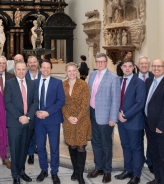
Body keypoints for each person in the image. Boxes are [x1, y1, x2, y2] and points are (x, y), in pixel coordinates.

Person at [87, 53, 120, 183]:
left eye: (102, 61)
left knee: (106, 145)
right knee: (95, 143)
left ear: (106, 62)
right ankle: (98, 167)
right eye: (98, 61)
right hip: (92, 113)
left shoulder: (113, 77)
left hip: (106, 117)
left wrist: (113, 118)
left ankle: (107, 171)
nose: (100, 63)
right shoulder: (92, 75)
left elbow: (116, 100)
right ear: (95, 62)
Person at [4, 61, 39, 184]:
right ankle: (15, 175)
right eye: (18, 69)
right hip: (14, 122)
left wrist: (28, 117)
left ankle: (22, 171)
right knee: (15, 150)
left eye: (23, 69)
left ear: (26, 70)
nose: (21, 71)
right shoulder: (9, 84)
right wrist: (20, 116)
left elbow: (35, 102)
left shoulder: (32, 83)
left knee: (24, 149)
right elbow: (7, 103)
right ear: (14, 70)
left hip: (27, 123)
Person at [115, 58, 146, 184]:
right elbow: (115, 99)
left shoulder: (139, 82)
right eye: (125, 66)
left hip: (133, 120)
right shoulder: (118, 81)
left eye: (130, 66)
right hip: (120, 120)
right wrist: (117, 113)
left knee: (135, 148)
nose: (127, 68)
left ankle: (136, 174)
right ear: (121, 68)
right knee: (125, 146)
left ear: (134, 68)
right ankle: (128, 170)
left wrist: (126, 115)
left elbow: (140, 103)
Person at [34, 60, 65, 184]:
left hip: (53, 120)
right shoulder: (34, 83)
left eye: (48, 68)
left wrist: (47, 112)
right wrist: (36, 111)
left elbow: (61, 101)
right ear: (40, 68)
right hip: (38, 121)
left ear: (51, 69)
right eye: (43, 67)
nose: (45, 69)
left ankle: (54, 172)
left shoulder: (57, 82)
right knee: (40, 146)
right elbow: (31, 100)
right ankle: (43, 170)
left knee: (54, 147)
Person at [62, 62, 90, 184]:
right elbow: (61, 103)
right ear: (66, 72)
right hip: (68, 120)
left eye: (74, 70)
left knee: (80, 146)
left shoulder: (83, 85)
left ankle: (80, 174)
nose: (72, 73)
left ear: (77, 71)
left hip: (82, 119)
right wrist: (68, 117)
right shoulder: (62, 85)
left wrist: (77, 117)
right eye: (69, 71)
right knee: (72, 145)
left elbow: (85, 104)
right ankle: (75, 169)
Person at [0, 56, 14, 169]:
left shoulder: (11, 77)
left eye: (3, 63)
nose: (1, 65)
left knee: (7, 136)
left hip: (8, 112)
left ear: (6, 65)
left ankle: (6, 158)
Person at [135, 56, 154, 173]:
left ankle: (151, 162)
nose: (143, 65)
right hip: (136, 115)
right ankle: (139, 160)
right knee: (138, 139)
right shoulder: (133, 78)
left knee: (151, 139)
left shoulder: (154, 77)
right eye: (141, 63)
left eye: (146, 63)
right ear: (137, 65)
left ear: (149, 65)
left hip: (151, 115)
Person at [25, 55, 41, 165]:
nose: (32, 64)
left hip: (41, 110)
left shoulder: (43, 75)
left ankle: (38, 149)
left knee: (39, 133)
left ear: (37, 63)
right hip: (29, 110)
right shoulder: (24, 76)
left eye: (34, 62)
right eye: (30, 62)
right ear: (27, 64)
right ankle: (30, 154)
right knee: (30, 133)